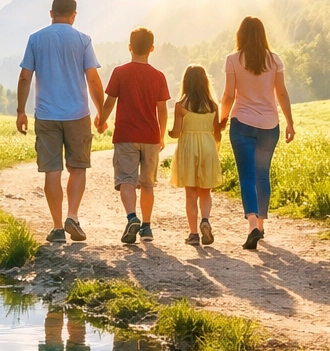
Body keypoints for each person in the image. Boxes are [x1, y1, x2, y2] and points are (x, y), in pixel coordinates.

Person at [17, 0, 104, 244]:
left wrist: (21, 111)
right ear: (74, 15)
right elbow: (93, 79)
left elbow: (25, 77)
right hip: (78, 114)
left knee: (52, 171)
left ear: (51, 13)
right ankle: (72, 216)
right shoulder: (83, 40)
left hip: (46, 115)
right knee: (78, 167)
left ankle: (57, 228)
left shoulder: (36, 39)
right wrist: (101, 112)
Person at [219, 16, 295, 250]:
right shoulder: (275, 60)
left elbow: (228, 95)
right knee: (262, 175)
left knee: (247, 176)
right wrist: (290, 123)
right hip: (269, 125)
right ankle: (260, 225)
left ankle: (252, 224)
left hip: (242, 123)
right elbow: (281, 93)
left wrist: (222, 119)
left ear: (240, 35)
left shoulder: (233, 60)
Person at [94, 27, 170, 245]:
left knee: (126, 180)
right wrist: (161, 135)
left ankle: (131, 218)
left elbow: (110, 102)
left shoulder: (120, 72)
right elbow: (162, 110)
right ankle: (146, 227)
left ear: (129, 47)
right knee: (147, 184)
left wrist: (101, 120)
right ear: (152, 49)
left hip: (125, 135)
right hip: (151, 136)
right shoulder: (159, 76)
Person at [168, 65, 223, 246]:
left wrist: (169, 133)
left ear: (186, 82)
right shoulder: (213, 106)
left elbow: (176, 132)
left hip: (188, 147)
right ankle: (205, 220)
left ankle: (193, 234)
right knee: (205, 190)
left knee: (190, 193)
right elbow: (216, 133)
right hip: (208, 146)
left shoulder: (180, 106)